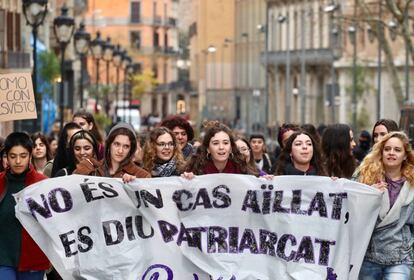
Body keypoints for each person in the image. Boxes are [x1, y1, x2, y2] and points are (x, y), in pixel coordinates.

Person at [356, 131, 414, 280]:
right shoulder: (365, 177)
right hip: (368, 256)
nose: (391, 153)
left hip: (400, 256)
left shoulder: (412, 184)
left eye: (397, 150)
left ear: (405, 155)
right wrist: (369, 195)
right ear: (381, 153)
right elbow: (351, 209)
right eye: (387, 149)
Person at [0, 132, 49, 279]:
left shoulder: (43, 183)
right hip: (3, 257)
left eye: (23, 155)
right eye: (13, 156)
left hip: (33, 259)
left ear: (30, 155)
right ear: (6, 157)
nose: (18, 161)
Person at [184, 121, 255, 175]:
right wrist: (187, 180)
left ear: (231, 148)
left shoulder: (242, 169)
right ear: (208, 149)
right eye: (215, 143)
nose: (221, 147)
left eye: (225, 143)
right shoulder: (195, 169)